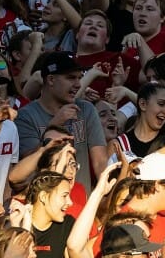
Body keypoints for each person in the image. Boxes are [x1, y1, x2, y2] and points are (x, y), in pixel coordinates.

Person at [16, 51, 108, 192]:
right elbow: (26, 170)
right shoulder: (26, 116)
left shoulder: (86, 109)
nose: (78, 84)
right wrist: (54, 125)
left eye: (79, 77)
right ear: (51, 80)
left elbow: (100, 162)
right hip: (43, 206)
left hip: (81, 205)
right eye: (71, 78)